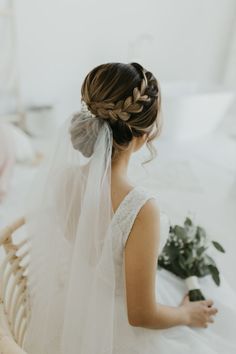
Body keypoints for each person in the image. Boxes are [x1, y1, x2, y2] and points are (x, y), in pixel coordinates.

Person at [23, 62, 236, 354]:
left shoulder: (65, 179)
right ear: (144, 133)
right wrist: (187, 314)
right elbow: (141, 314)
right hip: (117, 329)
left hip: (81, 302)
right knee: (219, 314)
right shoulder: (140, 208)